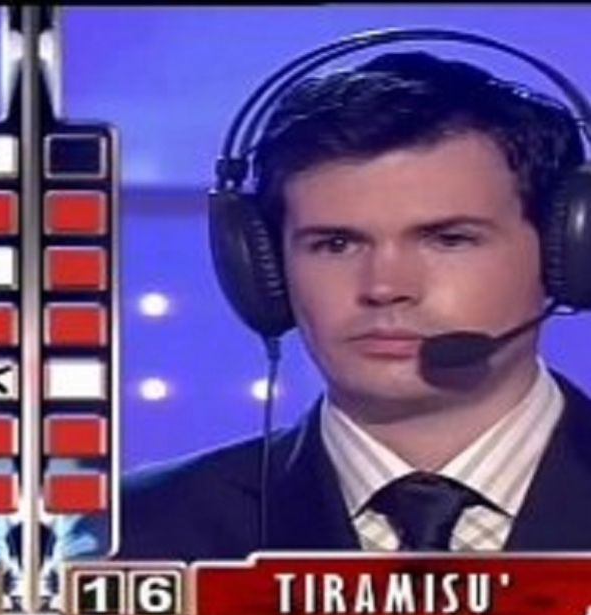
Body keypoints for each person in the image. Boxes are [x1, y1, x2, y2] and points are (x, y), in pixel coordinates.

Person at [119, 42, 591, 559]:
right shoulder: (135, 535)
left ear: (564, 253)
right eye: (336, 244)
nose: (384, 287)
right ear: (265, 269)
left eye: (448, 239)